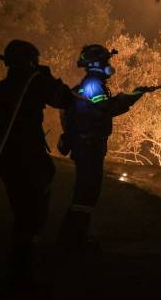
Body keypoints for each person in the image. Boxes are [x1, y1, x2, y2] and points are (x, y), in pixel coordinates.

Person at [0, 39, 75, 283]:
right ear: (29, 61)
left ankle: (21, 264)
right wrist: (48, 77)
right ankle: (23, 271)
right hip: (28, 156)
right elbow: (66, 99)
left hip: (5, 159)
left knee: (23, 211)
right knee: (32, 213)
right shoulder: (33, 84)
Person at [56, 44, 155, 249]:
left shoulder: (91, 84)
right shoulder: (93, 84)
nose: (109, 65)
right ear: (98, 63)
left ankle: (72, 238)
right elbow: (105, 109)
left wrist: (134, 94)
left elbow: (102, 107)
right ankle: (73, 240)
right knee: (86, 194)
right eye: (106, 61)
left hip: (87, 146)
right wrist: (134, 96)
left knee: (85, 194)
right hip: (88, 147)